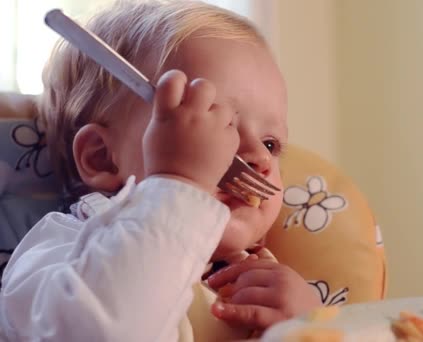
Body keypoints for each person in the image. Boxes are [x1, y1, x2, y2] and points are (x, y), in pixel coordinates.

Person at [0, 1, 321, 340]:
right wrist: (180, 184)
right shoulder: (59, 250)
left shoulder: (267, 279)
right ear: (102, 158)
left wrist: (307, 325)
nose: (258, 157)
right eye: (216, 127)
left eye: (270, 144)